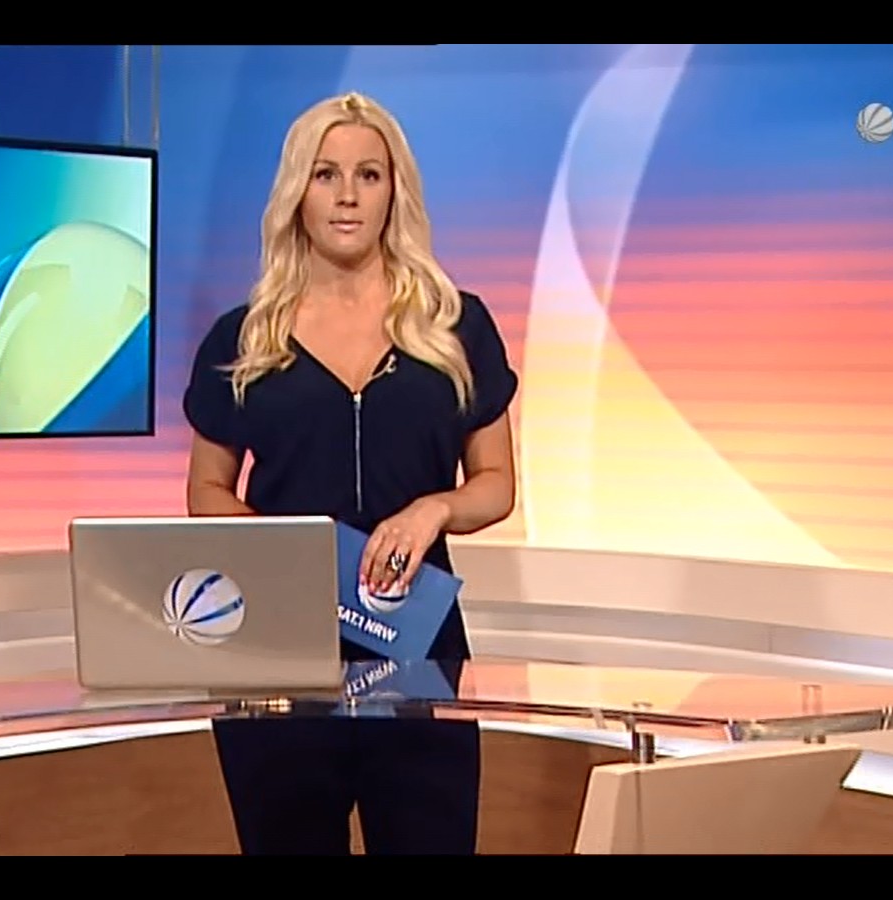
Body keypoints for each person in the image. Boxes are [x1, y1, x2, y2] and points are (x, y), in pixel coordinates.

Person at [181, 91, 518, 855]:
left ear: (394, 190)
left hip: (418, 647)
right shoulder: (244, 337)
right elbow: (206, 489)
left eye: (369, 175)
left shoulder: (455, 325)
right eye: (326, 174)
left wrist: (434, 510)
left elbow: (495, 482)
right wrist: (285, 550)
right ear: (296, 191)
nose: (347, 196)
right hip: (274, 644)